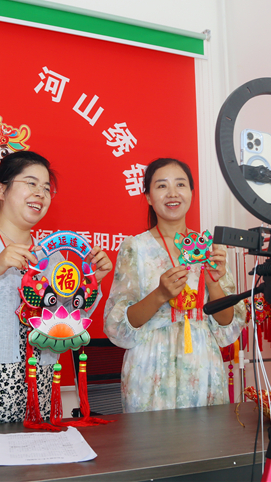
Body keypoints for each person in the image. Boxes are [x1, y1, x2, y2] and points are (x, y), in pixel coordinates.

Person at [0, 150, 113, 426]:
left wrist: (92, 281)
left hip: (39, 386)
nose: (40, 193)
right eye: (31, 183)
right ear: (1, 189)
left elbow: (67, 325)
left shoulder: (53, 256)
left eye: (46, 188)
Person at [103, 158, 245, 413]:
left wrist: (213, 283)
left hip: (203, 364)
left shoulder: (209, 248)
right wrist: (160, 294)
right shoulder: (135, 247)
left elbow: (227, 324)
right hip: (150, 367)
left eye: (180, 184)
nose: (172, 193)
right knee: (152, 438)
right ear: (148, 197)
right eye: (161, 186)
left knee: (208, 435)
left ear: (191, 192)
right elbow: (118, 326)